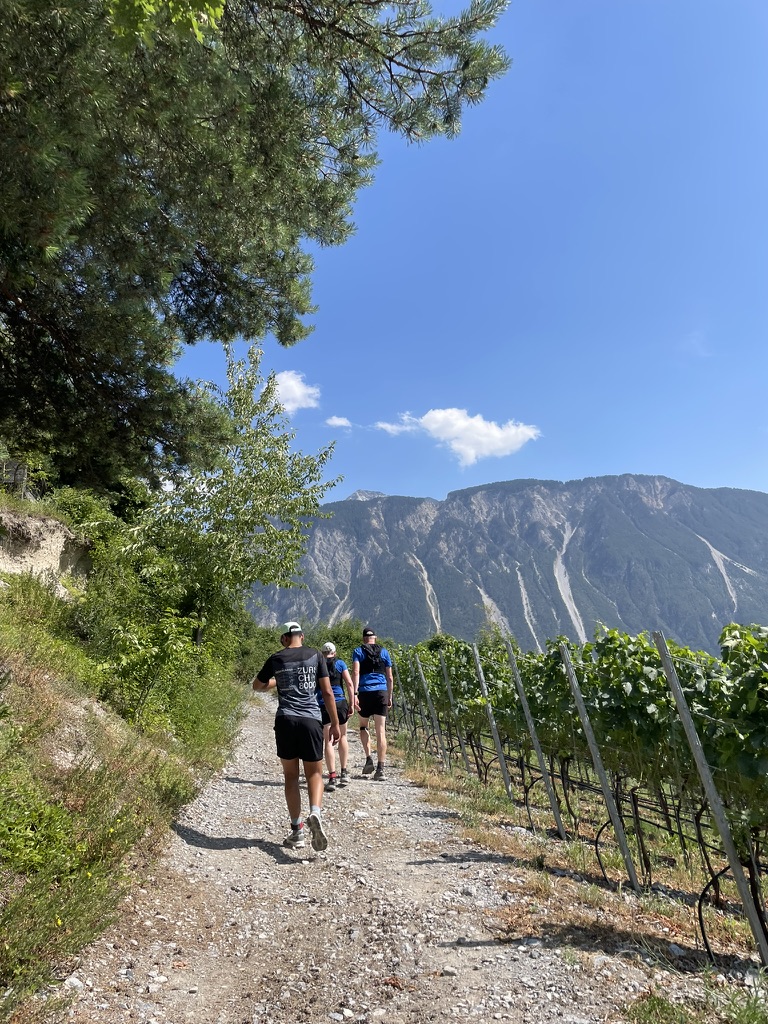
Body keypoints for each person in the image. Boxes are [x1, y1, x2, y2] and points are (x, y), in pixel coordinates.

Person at [252, 621, 340, 851]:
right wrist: (335, 723)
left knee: (291, 776)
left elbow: (257, 686)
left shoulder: (276, 658)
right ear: (302, 636)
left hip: (286, 720)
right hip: (311, 721)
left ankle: (297, 831)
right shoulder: (315, 655)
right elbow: (327, 692)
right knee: (315, 773)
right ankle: (315, 813)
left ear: (284, 638)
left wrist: (278, 681)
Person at [351, 627, 393, 782]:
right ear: (375, 638)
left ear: (364, 639)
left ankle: (369, 758)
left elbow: (356, 672)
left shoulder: (358, 651)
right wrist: (390, 696)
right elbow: (390, 677)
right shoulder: (384, 652)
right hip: (381, 692)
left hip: (365, 692)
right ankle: (381, 768)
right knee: (381, 731)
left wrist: (354, 694)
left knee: (364, 726)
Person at [318, 641, 354, 791]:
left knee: (328, 741)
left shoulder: (318, 665)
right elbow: (349, 683)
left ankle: (332, 776)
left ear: (322, 653)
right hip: (340, 702)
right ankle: (344, 772)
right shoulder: (340, 664)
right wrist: (352, 703)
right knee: (343, 736)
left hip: (324, 704)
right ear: (335, 652)